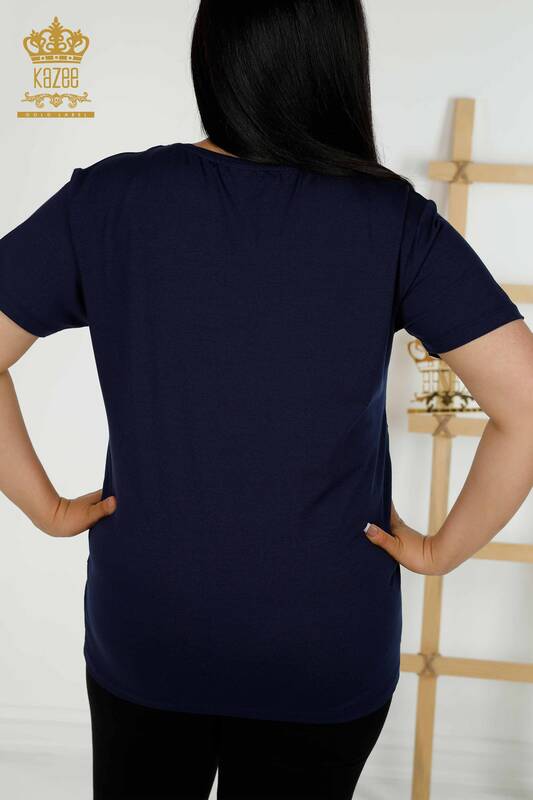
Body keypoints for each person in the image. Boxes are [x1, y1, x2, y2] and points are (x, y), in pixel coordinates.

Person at [1, 1, 532, 798]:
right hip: (324, 642)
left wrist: (45, 509)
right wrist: (440, 551)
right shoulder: (389, 219)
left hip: (151, 625)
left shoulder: (112, 197)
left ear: (213, 56)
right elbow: (526, 405)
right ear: (338, 59)